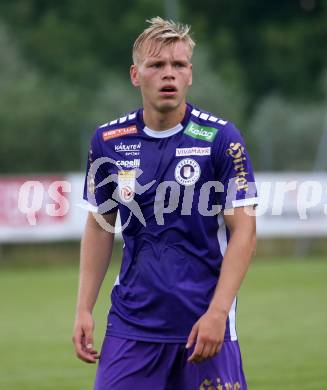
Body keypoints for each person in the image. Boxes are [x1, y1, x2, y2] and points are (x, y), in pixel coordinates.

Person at [73, 16, 258, 390]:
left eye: (178, 65)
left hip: (204, 322)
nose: (168, 74)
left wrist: (218, 312)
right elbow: (100, 224)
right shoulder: (108, 140)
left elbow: (245, 231)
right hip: (132, 326)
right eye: (156, 65)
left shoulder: (221, 138)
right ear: (135, 74)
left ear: (190, 74)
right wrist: (83, 308)